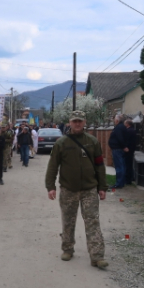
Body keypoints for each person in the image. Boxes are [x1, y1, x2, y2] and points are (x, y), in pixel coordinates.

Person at [45, 111, 109, 269]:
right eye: (75, 121)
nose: (78, 124)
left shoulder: (92, 141)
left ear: (84, 122)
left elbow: (100, 165)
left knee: (92, 221)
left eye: (80, 121)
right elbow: (53, 166)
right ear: (69, 123)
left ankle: (97, 256)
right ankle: (67, 248)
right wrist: (50, 187)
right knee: (68, 220)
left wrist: (102, 187)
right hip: (68, 189)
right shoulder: (62, 143)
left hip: (89, 189)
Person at [108, 114, 129, 189]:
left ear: (117, 120)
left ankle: (119, 183)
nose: (114, 120)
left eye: (114, 119)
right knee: (121, 166)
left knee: (119, 166)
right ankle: (121, 182)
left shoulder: (119, 127)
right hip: (118, 149)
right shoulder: (120, 127)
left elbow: (120, 138)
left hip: (117, 149)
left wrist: (123, 146)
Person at [124, 119, 136, 185]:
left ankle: (128, 180)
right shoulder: (132, 130)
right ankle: (130, 178)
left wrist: (126, 147)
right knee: (129, 164)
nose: (124, 125)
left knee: (128, 165)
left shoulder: (129, 131)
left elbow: (127, 141)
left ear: (127, 124)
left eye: (125, 123)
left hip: (128, 150)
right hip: (131, 149)